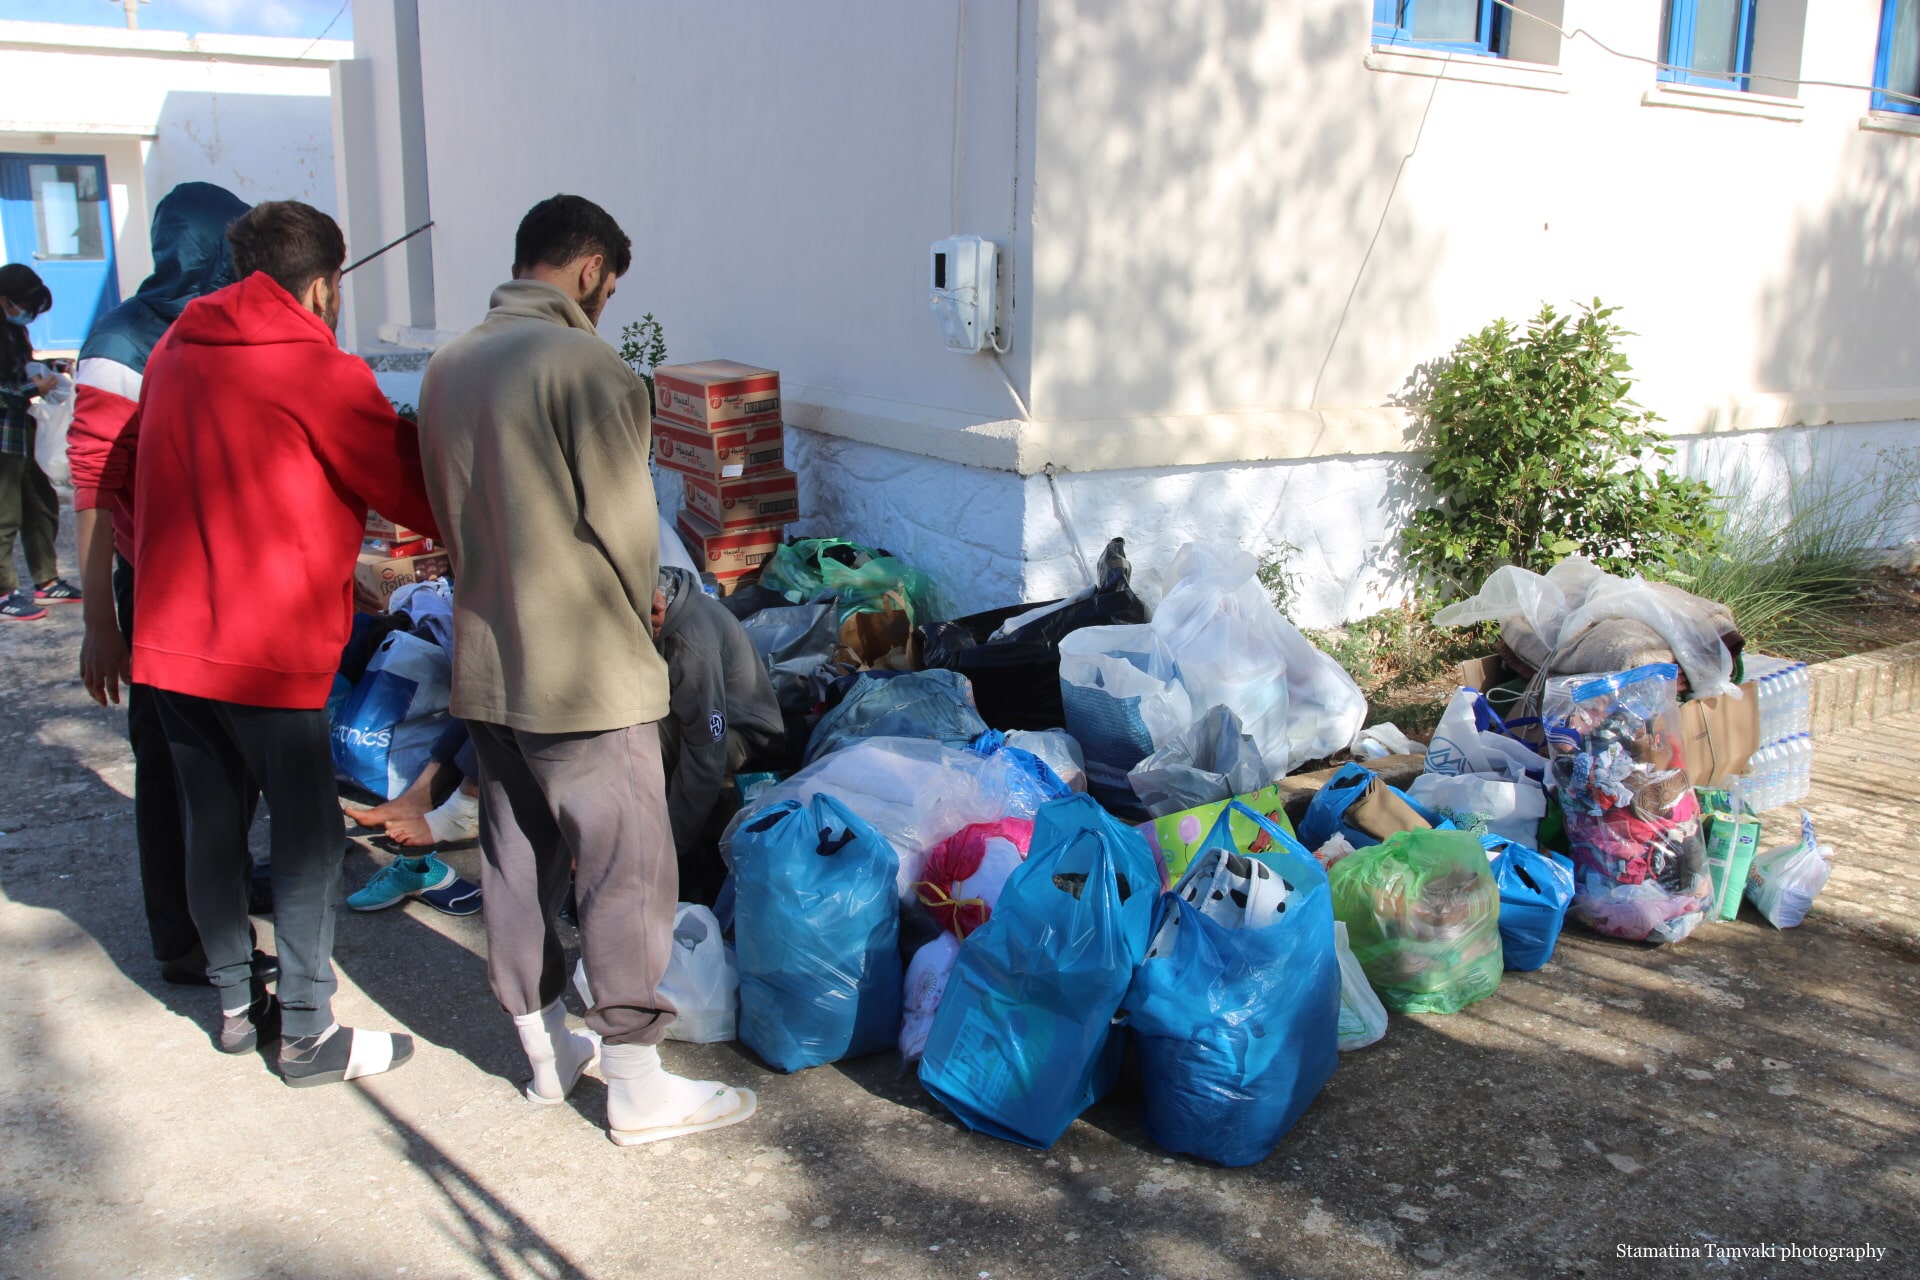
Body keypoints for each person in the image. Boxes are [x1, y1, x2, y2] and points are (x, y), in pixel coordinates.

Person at [416, 194, 755, 1142]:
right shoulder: (586, 364)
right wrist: (650, 605)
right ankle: (639, 1085)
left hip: (487, 660)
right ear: (591, 268)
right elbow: (625, 523)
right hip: (584, 672)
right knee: (625, 868)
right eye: (611, 283)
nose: (607, 298)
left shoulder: (447, 366)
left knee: (514, 859)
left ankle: (545, 1051)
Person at [131, 199, 438, 1085]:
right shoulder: (316, 365)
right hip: (269, 652)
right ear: (323, 285)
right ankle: (306, 1030)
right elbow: (408, 488)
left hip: (171, 642)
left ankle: (237, 1006)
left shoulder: (177, 346)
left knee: (212, 827)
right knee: (307, 842)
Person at [68, 182, 267, 985]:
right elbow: (91, 486)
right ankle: (182, 934)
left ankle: (220, 884)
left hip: (236, 584)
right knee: (173, 759)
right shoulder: (123, 344)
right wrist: (99, 623)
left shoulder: (228, 330)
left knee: (238, 758)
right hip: (155, 588)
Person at [651, 565, 784, 905]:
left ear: (656, 610)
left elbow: (705, 756)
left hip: (746, 736)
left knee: (643, 741)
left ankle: (671, 857)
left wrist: (668, 852)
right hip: (697, 716)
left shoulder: (692, 647)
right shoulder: (659, 600)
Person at [0, 263, 79, 621]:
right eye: (24, 307)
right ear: (4, 301)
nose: (28, 316)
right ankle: (4, 592)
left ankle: (45, 580)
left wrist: (50, 366)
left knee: (41, 502)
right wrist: (33, 389)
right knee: (5, 515)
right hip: (4, 435)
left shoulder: (12, 331)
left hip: (21, 431)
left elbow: (17, 369)